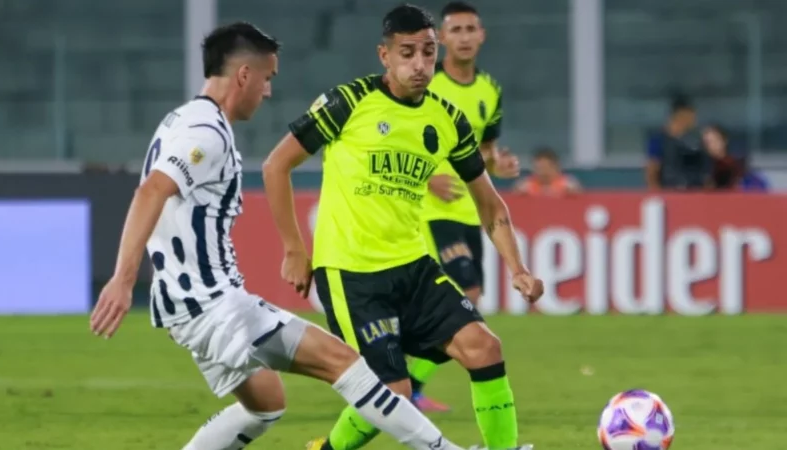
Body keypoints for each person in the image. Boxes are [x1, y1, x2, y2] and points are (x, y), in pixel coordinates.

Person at [89, 22, 472, 450]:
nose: (268, 91)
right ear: (244, 75)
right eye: (267, 78)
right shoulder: (206, 133)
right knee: (346, 363)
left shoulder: (179, 119)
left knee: (266, 403)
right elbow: (151, 192)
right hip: (214, 305)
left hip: (187, 306)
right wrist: (123, 279)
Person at [261, 5, 543, 450]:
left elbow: (490, 205)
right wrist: (295, 249)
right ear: (385, 56)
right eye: (407, 53)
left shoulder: (448, 119)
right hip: (352, 273)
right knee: (393, 395)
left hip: (413, 266)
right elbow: (276, 166)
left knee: (484, 347)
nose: (419, 64)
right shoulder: (348, 102)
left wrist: (519, 268)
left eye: (428, 53)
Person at [410, 1, 521, 413]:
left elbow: (484, 151)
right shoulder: (426, 85)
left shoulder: (489, 90)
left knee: (468, 299)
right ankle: (408, 384)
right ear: (441, 39)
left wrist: (498, 165)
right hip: (428, 211)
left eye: (470, 29)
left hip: (469, 211)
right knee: (466, 289)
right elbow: (399, 141)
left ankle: (405, 382)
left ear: (482, 35)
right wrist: (427, 178)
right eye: (455, 30)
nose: (464, 37)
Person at [645, 95, 708, 190]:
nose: (694, 121)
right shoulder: (659, 139)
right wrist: (657, 192)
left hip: (694, 191)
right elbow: (652, 170)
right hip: (669, 191)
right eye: (690, 117)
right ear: (679, 116)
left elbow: (705, 172)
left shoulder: (696, 140)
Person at [514, 147, 581, 196]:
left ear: (556, 167)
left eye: (545, 168)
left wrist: (574, 194)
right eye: (538, 168)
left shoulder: (568, 184)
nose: (542, 172)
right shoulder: (525, 185)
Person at [702, 124, 745, 190]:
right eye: (707, 143)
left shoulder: (733, 165)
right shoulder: (704, 167)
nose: (711, 145)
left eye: (714, 141)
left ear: (724, 140)